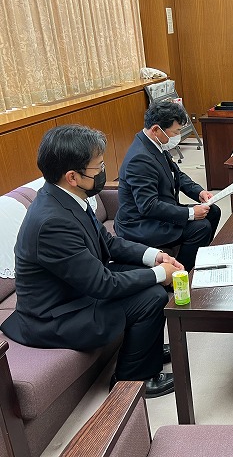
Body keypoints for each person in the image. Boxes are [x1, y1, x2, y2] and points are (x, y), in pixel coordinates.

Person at [1, 125, 182, 398]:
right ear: (72, 176)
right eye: (98, 167)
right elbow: (103, 285)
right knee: (151, 296)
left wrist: (153, 256)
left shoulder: (66, 197)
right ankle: (131, 380)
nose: (103, 172)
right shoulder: (51, 222)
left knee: (145, 274)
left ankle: (148, 350)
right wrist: (160, 273)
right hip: (56, 316)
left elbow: (107, 242)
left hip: (76, 290)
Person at [115, 101, 221, 271]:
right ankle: (180, 273)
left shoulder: (154, 144)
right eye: (175, 131)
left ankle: (200, 260)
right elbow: (148, 206)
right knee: (200, 228)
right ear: (156, 129)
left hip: (158, 212)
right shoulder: (139, 159)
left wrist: (199, 192)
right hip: (140, 224)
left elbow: (176, 174)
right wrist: (190, 213)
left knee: (213, 211)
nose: (178, 136)